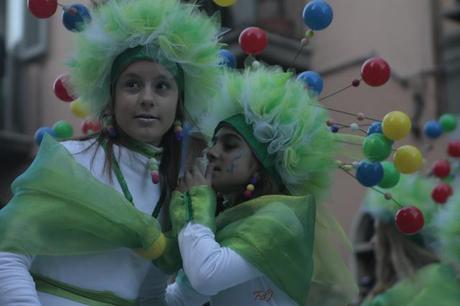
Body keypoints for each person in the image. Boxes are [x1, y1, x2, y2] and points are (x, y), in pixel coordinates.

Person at [0, 0, 221, 305]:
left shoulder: (174, 190)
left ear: (179, 103)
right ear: (111, 96)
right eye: (132, 84)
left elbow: (149, 296)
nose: (147, 98)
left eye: (162, 86)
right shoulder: (70, 160)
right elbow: (7, 255)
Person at [164, 66, 358, 306]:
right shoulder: (226, 223)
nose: (211, 152)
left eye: (230, 145)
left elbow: (206, 276)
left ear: (260, 163)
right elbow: (180, 300)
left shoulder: (281, 219)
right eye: (213, 142)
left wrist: (196, 205)